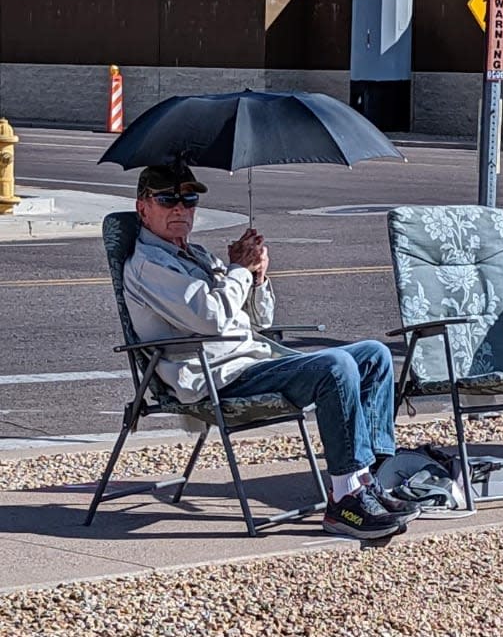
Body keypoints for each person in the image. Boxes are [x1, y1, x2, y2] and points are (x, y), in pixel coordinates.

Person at [123, 164, 419, 540]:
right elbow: (211, 318)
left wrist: (257, 276)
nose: (180, 209)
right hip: (216, 378)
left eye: (189, 199)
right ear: (143, 208)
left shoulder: (198, 256)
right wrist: (239, 272)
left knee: (374, 356)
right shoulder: (149, 266)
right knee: (336, 366)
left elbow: (260, 319)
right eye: (167, 199)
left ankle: (369, 480)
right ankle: (345, 499)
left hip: (252, 361)